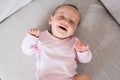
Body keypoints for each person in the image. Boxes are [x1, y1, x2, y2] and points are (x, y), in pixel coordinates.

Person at [22, 4, 92, 80]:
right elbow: (26, 50)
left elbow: (86, 60)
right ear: (50, 20)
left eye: (72, 22)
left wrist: (82, 51)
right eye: (61, 17)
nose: (66, 22)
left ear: (74, 30)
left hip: (70, 78)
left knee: (85, 77)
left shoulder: (75, 43)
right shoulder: (41, 37)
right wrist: (31, 37)